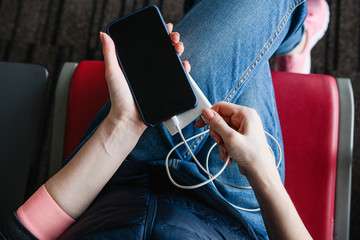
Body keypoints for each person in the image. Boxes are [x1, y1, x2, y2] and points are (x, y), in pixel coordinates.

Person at [1, 0, 329, 239]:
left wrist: (122, 126)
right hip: (231, 209)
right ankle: (294, 42)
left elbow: (26, 232)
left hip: (112, 176)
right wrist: (262, 170)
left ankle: (286, 35)